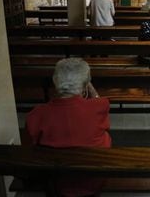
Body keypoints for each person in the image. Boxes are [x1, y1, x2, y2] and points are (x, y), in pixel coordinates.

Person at [26, 58, 111, 196]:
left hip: (56, 183)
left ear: (55, 82)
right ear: (85, 86)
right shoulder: (99, 106)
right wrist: (91, 90)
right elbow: (98, 101)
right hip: (92, 180)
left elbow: (32, 143)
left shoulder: (37, 114)